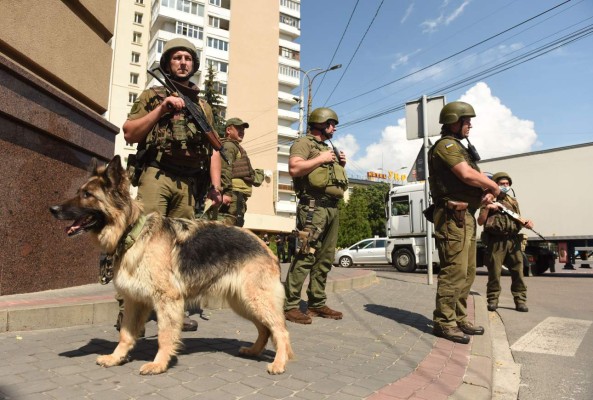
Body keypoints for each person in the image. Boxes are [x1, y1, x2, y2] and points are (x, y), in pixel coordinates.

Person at [120, 38, 223, 332]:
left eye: (188, 58)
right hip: (157, 174)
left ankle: (171, 312)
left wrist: (216, 187)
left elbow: (214, 148)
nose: (183, 62)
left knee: (181, 249)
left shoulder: (202, 105)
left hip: (189, 185)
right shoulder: (153, 95)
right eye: (177, 57)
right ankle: (128, 317)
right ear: (167, 63)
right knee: (142, 243)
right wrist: (162, 109)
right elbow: (130, 133)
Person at [427, 101, 501, 344]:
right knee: (454, 270)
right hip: (452, 217)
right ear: (453, 122)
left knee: (467, 271)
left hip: (465, 215)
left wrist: (484, 194)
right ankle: (444, 322)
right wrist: (492, 186)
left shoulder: (460, 146)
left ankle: (459, 318)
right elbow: (466, 174)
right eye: (466, 120)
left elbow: (469, 181)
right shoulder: (446, 145)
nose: (470, 125)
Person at [284, 107, 348, 324]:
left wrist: (340, 164)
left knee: (325, 258)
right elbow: (294, 168)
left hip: (331, 208)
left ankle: (316, 303)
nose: (335, 128)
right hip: (313, 208)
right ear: (322, 123)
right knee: (305, 255)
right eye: (333, 124)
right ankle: (290, 305)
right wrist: (321, 158)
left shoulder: (326, 147)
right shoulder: (304, 143)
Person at [477, 172, 533, 313]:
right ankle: (492, 300)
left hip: (513, 240)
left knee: (518, 272)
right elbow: (480, 221)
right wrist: (488, 209)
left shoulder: (512, 201)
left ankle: (520, 301)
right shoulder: (488, 199)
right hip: (496, 242)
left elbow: (518, 218)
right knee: (494, 273)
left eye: (507, 184)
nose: (505, 186)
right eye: (502, 184)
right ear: (495, 184)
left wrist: (526, 222)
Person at [215, 118, 256, 227]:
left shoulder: (235, 146)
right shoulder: (229, 146)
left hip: (237, 195)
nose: (242, 131)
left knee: (234, 225)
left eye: (243, 129)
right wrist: (227, 193)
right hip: (233, 194)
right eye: (238, 128)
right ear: (228, 130)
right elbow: (225, 169)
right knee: (229, 228)